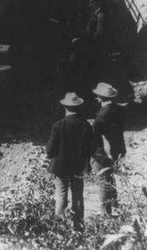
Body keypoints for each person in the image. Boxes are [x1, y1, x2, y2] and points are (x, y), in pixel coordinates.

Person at [46, 92, 94, 231]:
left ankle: (60, 227)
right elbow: (91, 148)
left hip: (61, 167)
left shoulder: (58, 125)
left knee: (61, 194)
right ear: (78, 107)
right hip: (79, 167)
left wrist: (54, 156)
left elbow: (50, 149)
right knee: (78, 194)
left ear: (64, 107)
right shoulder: (85, 125)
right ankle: (78, 226)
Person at [91, 82, 127, 216]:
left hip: (102, 152)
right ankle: (115, 207)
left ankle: (106, 214)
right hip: (117, 149)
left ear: (99, 97)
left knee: (103, 182)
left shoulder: (101, 115)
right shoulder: (119, 110)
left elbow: (96, 136)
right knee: (111, 179)